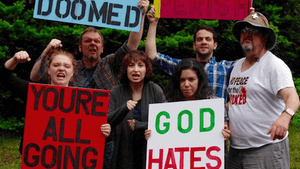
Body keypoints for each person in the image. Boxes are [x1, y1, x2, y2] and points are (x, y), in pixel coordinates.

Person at [226, 10, 300, 168]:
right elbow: (236, 102)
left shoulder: (274, 65)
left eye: (253, 31)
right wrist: (225, 119)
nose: (247, 34)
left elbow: (292, 97)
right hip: (236, 150)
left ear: (264, 37)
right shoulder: (237, 66)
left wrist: (285, 117)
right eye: (244, 31)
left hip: (265, 148)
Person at [0, 49, 111, 154]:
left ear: (73, 72)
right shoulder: (35, 94)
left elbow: (90, 139)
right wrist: (14, 60)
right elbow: (3, 76)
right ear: (48, 70)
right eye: (56, 65)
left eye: (67, 66)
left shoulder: (85, 101)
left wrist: (105, 133)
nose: (61, 69)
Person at [30, 0, 150, 91]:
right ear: (80, 47)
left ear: (102, 48)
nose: (93, 43)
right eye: (88, 41)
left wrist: (141, 15)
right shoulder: (69, 68)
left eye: (97, 41)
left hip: (107, 122)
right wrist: (46, 52)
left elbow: (132, 45)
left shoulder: (111, 63)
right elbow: (35, 77)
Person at [145, 6, 235, 103]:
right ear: (194, 45)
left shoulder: (226, 67)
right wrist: (153, 23)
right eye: (200, 39)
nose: (204, 42)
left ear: (215, 45)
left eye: (208, 39)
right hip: (188, 115)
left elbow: (252, 61)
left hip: (217, 117)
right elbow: (152, 55)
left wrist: (252, 20)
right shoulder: (183, 67)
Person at [145, 58, 231, 141]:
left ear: (199, 81)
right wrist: (153, 136)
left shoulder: (215, 106)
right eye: (182, 80)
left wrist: (224, 134)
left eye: (191, 79)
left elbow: (224, 128)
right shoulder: (168, 107)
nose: (186, 84)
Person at [107, 50, 166, 169]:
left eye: (140, 65)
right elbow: (107, 121)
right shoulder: (115, 92)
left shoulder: (155, 90)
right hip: (123, 154)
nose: (135, 70)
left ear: (146, 69)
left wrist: (141, 126)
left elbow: (166, 123)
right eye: (131, 65)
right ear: (125, 69)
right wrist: (124, 108)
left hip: (149, 153)